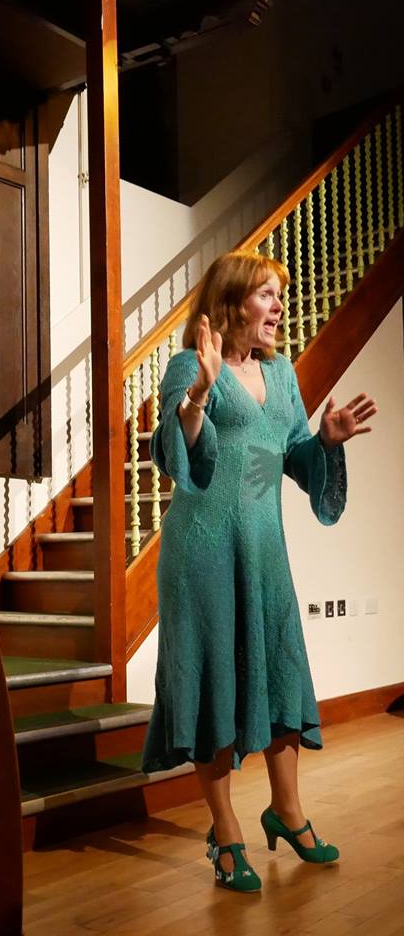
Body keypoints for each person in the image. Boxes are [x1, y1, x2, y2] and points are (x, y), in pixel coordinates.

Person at [140, 249, 377, 892]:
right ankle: (225, 833)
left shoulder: (282, 374)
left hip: (266, 550)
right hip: (203, 551)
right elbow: (177, 452)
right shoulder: (191, 366)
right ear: (233, 299)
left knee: (281, 670)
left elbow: (293, 455)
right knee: (215, 679)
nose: (279, 305)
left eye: (280, 294)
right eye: (266, 293)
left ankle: (288, 811)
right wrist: (198, 394)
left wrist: (324, 440)